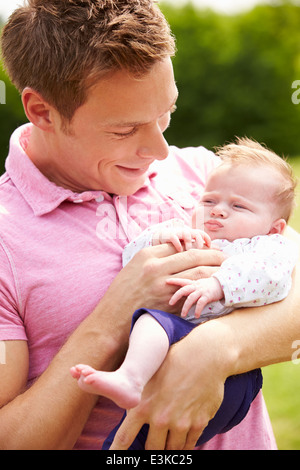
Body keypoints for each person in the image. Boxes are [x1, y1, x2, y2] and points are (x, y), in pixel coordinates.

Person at [0, 0, 300, 451]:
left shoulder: (210, 178)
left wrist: (215, 349)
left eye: (167, 113)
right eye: (125, 130)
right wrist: (115, 315)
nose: (161, 151)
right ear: (41, 111)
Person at [71, 138, 298, 449]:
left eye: (238, 206)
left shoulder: (267, 247)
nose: (218, 211)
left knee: (151, 438)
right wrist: (162, 236)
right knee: (150, 321)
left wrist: (219, 285)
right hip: (175, 333)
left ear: (275, 226)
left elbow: (273, 280)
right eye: (209, 201)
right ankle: (130, 378)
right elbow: (132, 262)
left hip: (232, 375)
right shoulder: (189, 233)